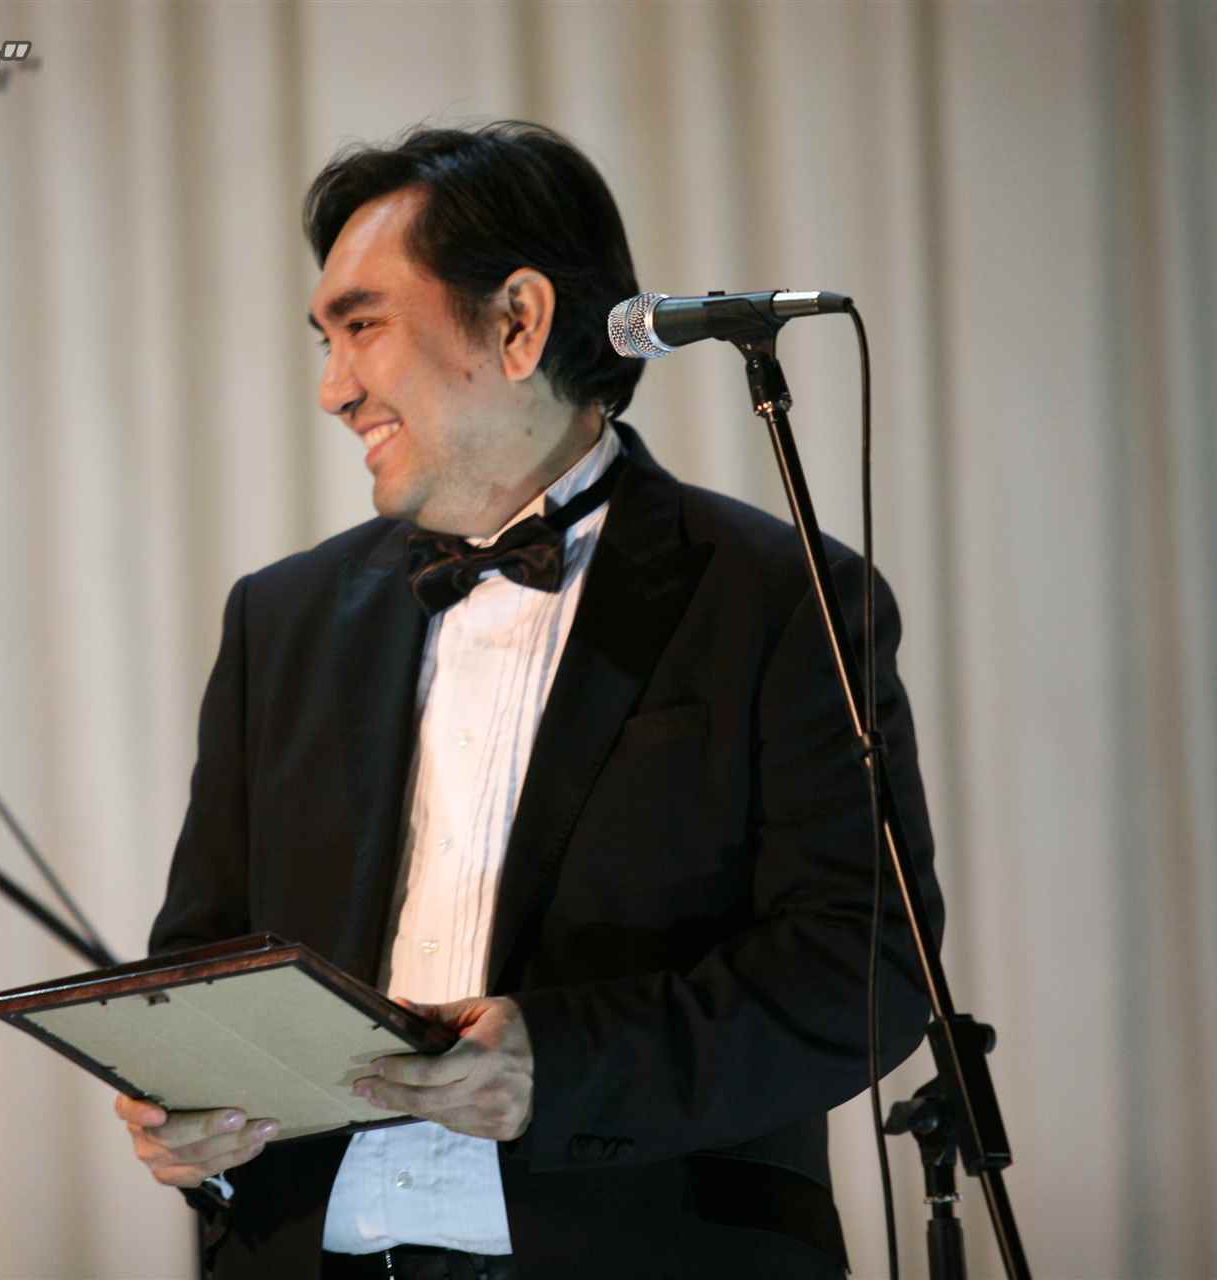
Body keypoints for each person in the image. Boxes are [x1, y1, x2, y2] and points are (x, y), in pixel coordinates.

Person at [114, 121, 943, 1279]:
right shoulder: (280, 618)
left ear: (519, 322)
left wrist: (561, 1064)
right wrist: (183, 1107)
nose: (334, 388)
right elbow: (202, 965)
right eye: (325, 340)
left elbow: (862, 970)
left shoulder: (781, 594)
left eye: (363, 325)